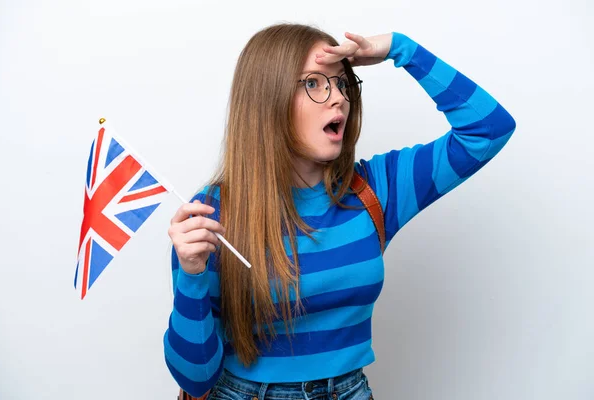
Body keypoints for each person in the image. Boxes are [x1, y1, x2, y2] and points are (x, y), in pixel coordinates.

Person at [164, 23, 516, 400]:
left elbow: (489, 129)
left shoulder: (376, 190)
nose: (339, 99)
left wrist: (403, 49)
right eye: (315, 83)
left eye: (343, 83)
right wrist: (192, 276)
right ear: (268, 99)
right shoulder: (216, 212)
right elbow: (195, 377)